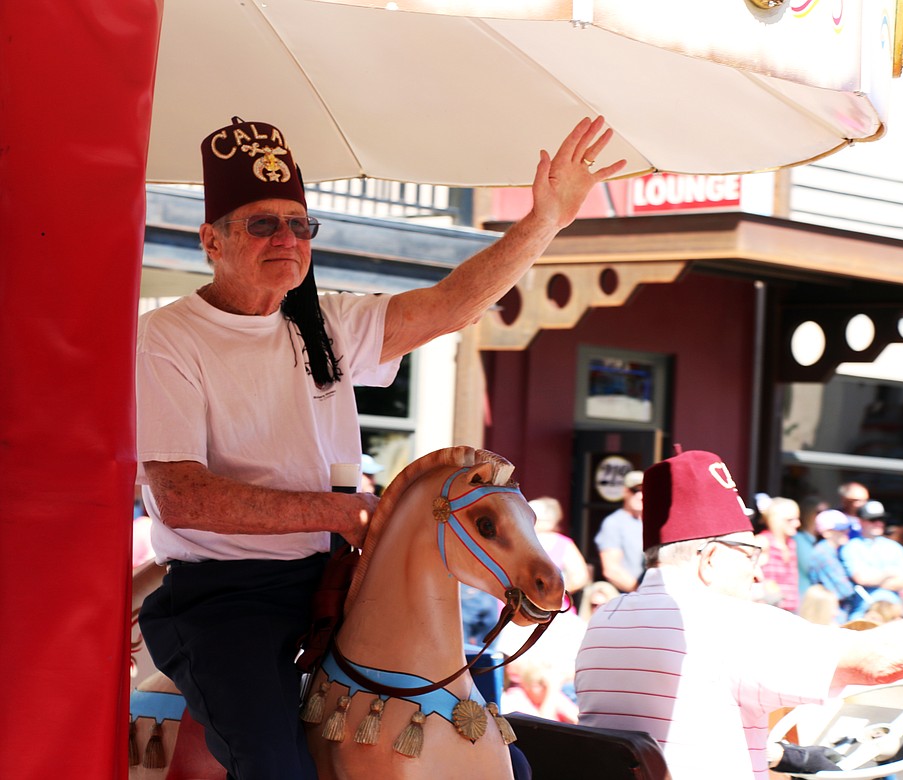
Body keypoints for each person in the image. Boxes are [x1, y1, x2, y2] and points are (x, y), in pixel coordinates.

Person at [135, 115, 625, 780]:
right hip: (227, 599)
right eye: (262, 224)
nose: (287, 238)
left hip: (340, 578)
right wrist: (333, 512)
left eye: (299, 224)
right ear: (210, 240)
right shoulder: (167, 338)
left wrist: (547, 221)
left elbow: (453, 305)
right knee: (278, 768)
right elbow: (180, 497)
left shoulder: (324, 323)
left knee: (495, 755)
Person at [574, 449, 903, 780]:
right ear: (711, 558)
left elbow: (675, 736)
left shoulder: (605, 621)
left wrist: (786, 756)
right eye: (749, 553)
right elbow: (879, 662)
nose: (759, 573)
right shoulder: (721, 624)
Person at [839, 500, 903, 620]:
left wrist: (875, 580)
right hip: (863, 613)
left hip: (893, 613)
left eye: (881, 519)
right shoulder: (851, 547)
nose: (878, 523)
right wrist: (890, 573)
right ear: (861, 521)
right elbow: (862, 578)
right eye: (873, 520)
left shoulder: (894, 547)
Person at [529, 496, 590, 602]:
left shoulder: (563, 543)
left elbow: (580, 577)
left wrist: (551, 593)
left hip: (553, 609)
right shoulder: (521, 540)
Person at [594, 469, 645, 592]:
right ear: (625, 492)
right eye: (635, 490)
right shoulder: (614, 523)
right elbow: (611, 569)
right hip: (627, 598)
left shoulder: (655, 521)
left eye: (645, 490)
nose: (640, 495)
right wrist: (640, 592)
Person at [805, 509, 857, 623]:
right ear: (826, 532)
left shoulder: (834, 551)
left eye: (847, 528)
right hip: (830, 614)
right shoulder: (824, 554)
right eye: (840, 529)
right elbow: (844, 590)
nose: (846, 532)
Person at [754, 497, 801, 611]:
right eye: (790, 520)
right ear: (776, 520)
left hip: (791, 610)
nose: (797, 523)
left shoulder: (791, 544)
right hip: (769, 610)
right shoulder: (763, 542)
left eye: (797, 519)